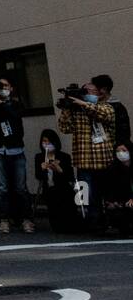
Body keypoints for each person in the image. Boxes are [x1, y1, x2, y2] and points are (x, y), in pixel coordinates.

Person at [57, 81, 116, 232]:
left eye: (89, 91)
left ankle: (112, 221)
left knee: (106, 193)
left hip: (104, 159)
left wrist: (83, 104)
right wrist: (67, 108)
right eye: (84, 91)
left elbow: (104, 116)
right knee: (85, 194)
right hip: (83, 160)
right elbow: (64, 128)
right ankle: (92, 222)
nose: (86, 93)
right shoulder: (76, 111)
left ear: (98, 93)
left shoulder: (106, 107)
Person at [0, 77, 34, 233]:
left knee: (20, 187)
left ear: (11, 88)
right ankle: (3, 219)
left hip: (16, 148)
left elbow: (16, 116)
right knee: (1, 187)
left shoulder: (16, 103)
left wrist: (2, 104)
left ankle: (26, 219)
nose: (3, 89)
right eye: (0, 86)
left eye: (6, 86)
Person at [34, 129, 79, 234]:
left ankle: (70, 223)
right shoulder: (39, 157)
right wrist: (43, 169)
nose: (46, 144)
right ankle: (58, 225)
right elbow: (38, 176)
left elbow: (70, 177)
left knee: (64, 194)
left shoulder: (64, 157)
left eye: (49, 142)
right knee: (52, 194)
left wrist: (59, 169)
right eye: (44, 141)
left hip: (63, 187)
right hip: (49, 189)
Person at [100, 143, 133, 236]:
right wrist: (112, 201)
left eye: (124, 150)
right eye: (118, 151)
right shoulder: (112, 169)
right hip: (120, 202)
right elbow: (108, 188)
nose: (121, 153)